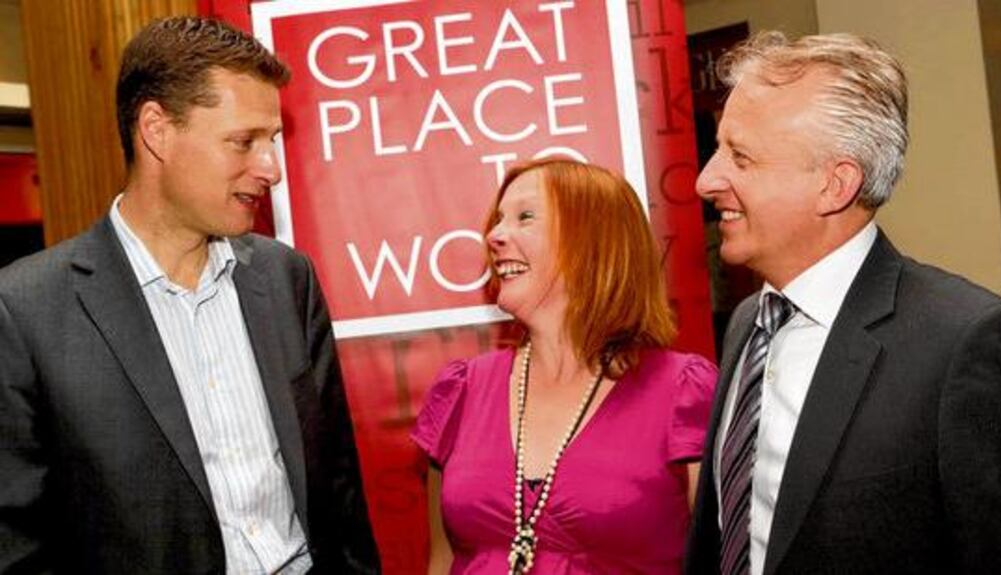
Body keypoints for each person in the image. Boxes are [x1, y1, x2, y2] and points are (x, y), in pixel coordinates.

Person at [0, 16, 380, 573]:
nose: (271, 168)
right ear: (156, 129)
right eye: (243, 141)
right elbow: (17, 545)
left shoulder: (286, 279)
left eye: (272, 140)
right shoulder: (25, 310)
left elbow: (340, 496)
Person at [686, 31, 1001, 575]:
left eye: (740, 157)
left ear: (835, 185)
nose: (706, 180)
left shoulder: (965, 343)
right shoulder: (750, 320)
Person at [411, 158, 718, 574]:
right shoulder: (461, 391)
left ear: (594, 241)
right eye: (499, 219)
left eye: (525, 217)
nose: (494, 235)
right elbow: (442, 562)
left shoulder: (682, 393)